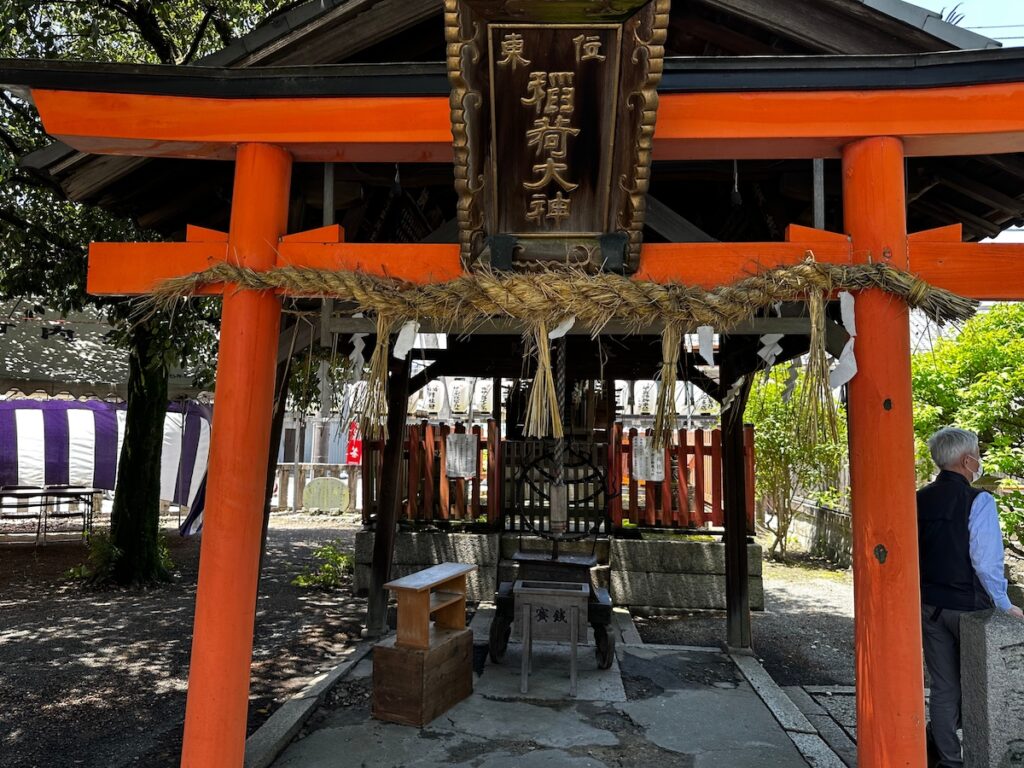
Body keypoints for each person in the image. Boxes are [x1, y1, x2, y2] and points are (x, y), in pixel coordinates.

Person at [918, 427, 1024, 768]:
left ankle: (949, 759)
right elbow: (985, 561)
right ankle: (984, 754)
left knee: (944, 685)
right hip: (970, 610)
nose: (979, 460)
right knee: (983, 682)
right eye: (977, 454)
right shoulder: (978, 500)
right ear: (967, 460)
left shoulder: (917, 498)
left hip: (930, 605)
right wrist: (1004, 604)